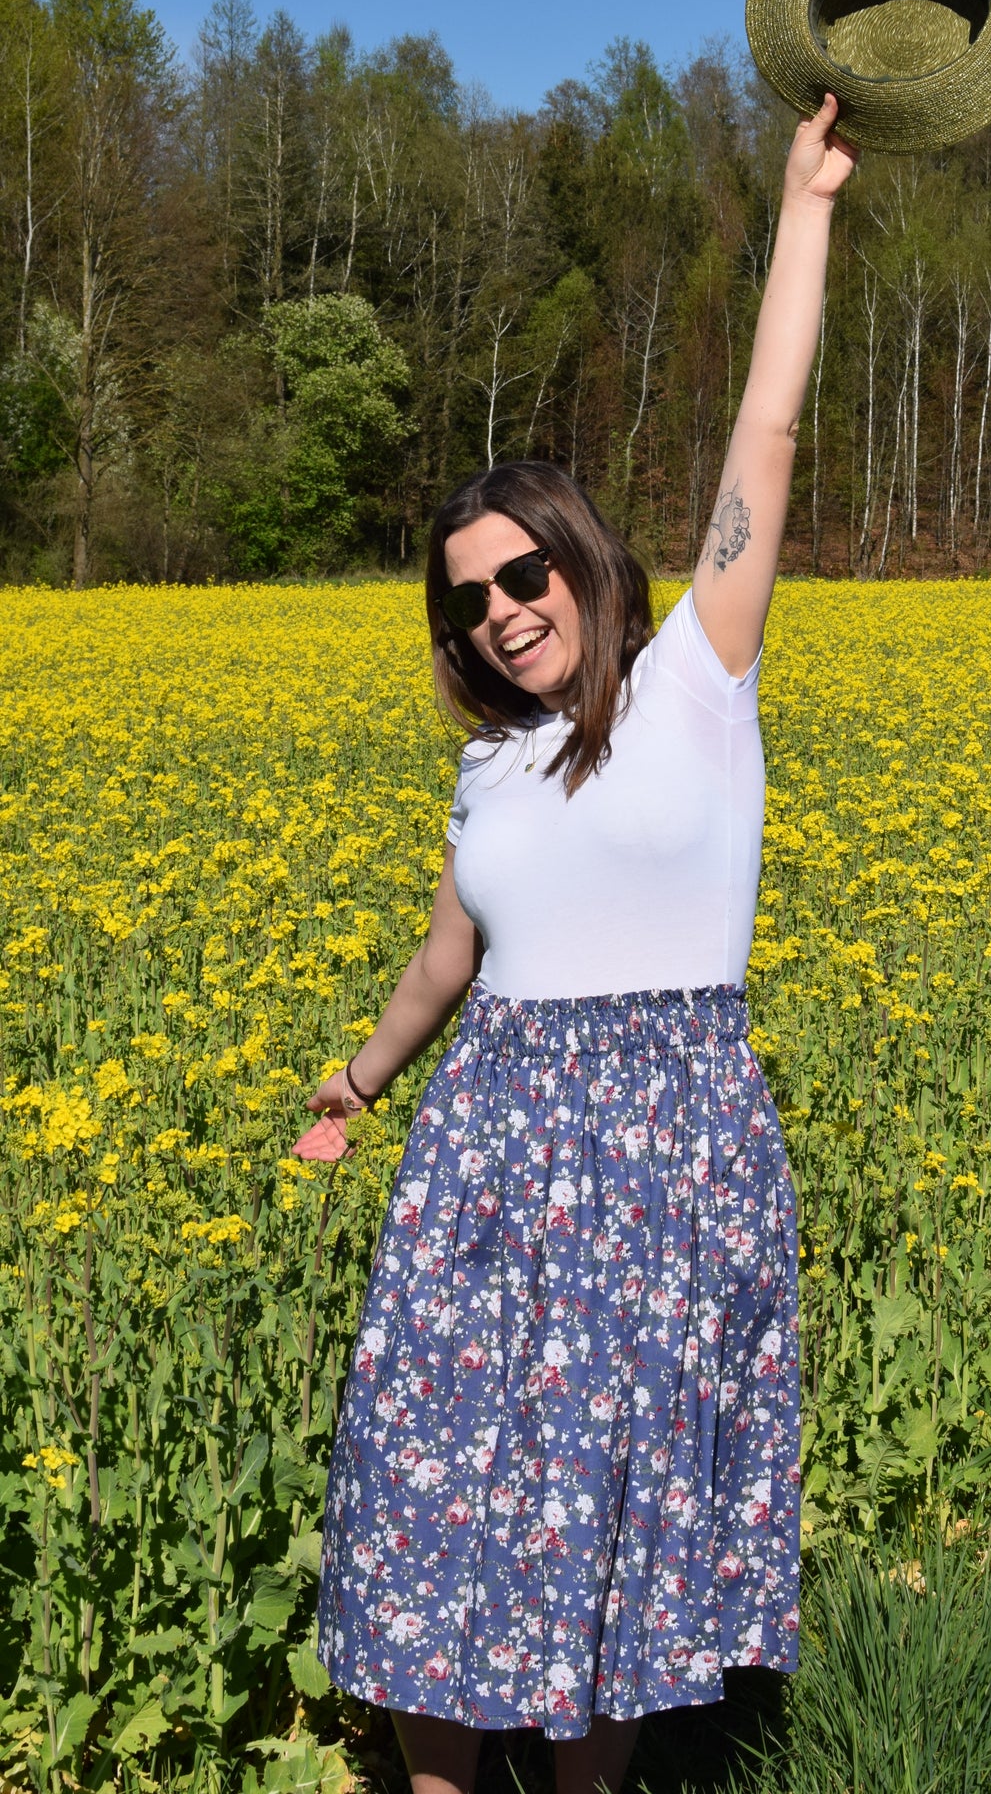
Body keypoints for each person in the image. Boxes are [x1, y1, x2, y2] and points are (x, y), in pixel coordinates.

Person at [304, 95, 857, 1794]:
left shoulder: (698, 679)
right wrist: (355, 1084)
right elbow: (449, 957)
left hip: (664, 1145)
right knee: (434, 1480)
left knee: (611, 1493)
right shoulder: (486, 768)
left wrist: (803, 207)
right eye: (468, 598)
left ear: (584, 560)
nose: (502, 610)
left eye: (524, 572)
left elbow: (765, 428)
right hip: (485, 1144)